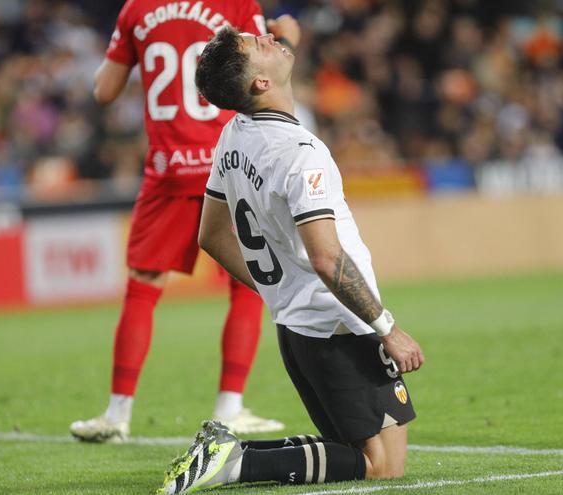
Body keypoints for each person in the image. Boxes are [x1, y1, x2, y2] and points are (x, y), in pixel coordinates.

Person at [157, 26, 426, 493]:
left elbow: (210, 235)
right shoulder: (302, 156)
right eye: (256, 45)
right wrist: (388, 328)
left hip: (296, 326)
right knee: (382, 464)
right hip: (339, 325)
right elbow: (326, 258)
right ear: (260, 83)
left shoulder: (234, 134)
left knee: (356, 450)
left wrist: (276, 290)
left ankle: (225, 454)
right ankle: (236, 463)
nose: (267, 38)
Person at [70, 2, 301, 442]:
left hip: (168, 166)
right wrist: (286, 39)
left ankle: (117, 414)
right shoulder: (236, 5)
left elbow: (103, 91)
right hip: (229, 160)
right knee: (247, 281)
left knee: (143, 285)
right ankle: (230, 406)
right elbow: (260, 75)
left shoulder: (137, 9)